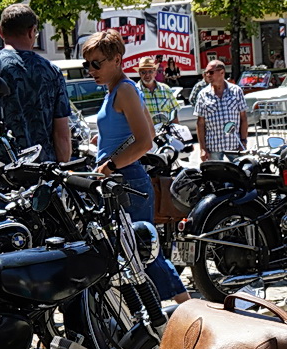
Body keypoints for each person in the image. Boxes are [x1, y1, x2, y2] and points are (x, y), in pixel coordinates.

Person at [82, 31, 187, 302]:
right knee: (135, 252)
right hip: (121, 179)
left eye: (96, 63)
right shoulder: (119, 89)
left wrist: (111, 164)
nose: (91, 70)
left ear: (117, 60)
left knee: (144, 251)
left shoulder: (125, 90)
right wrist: (105, 141)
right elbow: (147, 130)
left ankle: (189, 310)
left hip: (126, 179)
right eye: (87, 64)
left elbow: (145, 141)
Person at [0, 5, 72, 162]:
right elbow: (61, 132)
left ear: (0, 31)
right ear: (32, 31)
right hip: (43, 168)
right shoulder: (52, 71)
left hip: (0, 168)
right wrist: (62, 168)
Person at [192, 58, 247, 160]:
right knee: (215, 171)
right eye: (206, 73)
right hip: (213, 148)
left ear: (222, 72)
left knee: (240, 170)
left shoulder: (236, 91)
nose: (208, 75)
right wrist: (203, 149)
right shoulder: (203, 95)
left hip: (235, 146)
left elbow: (243, 118)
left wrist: (243, 141)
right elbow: (200, 124)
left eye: (211, 72)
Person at [134, 57, 176, 122]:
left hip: (166, 128)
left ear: (155, 73)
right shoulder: (134, 92)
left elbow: (175, 116)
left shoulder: (166, 90)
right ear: (139, 74)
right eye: (143, 72)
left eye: (150, 71)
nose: (147, 75)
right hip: (145, 129)